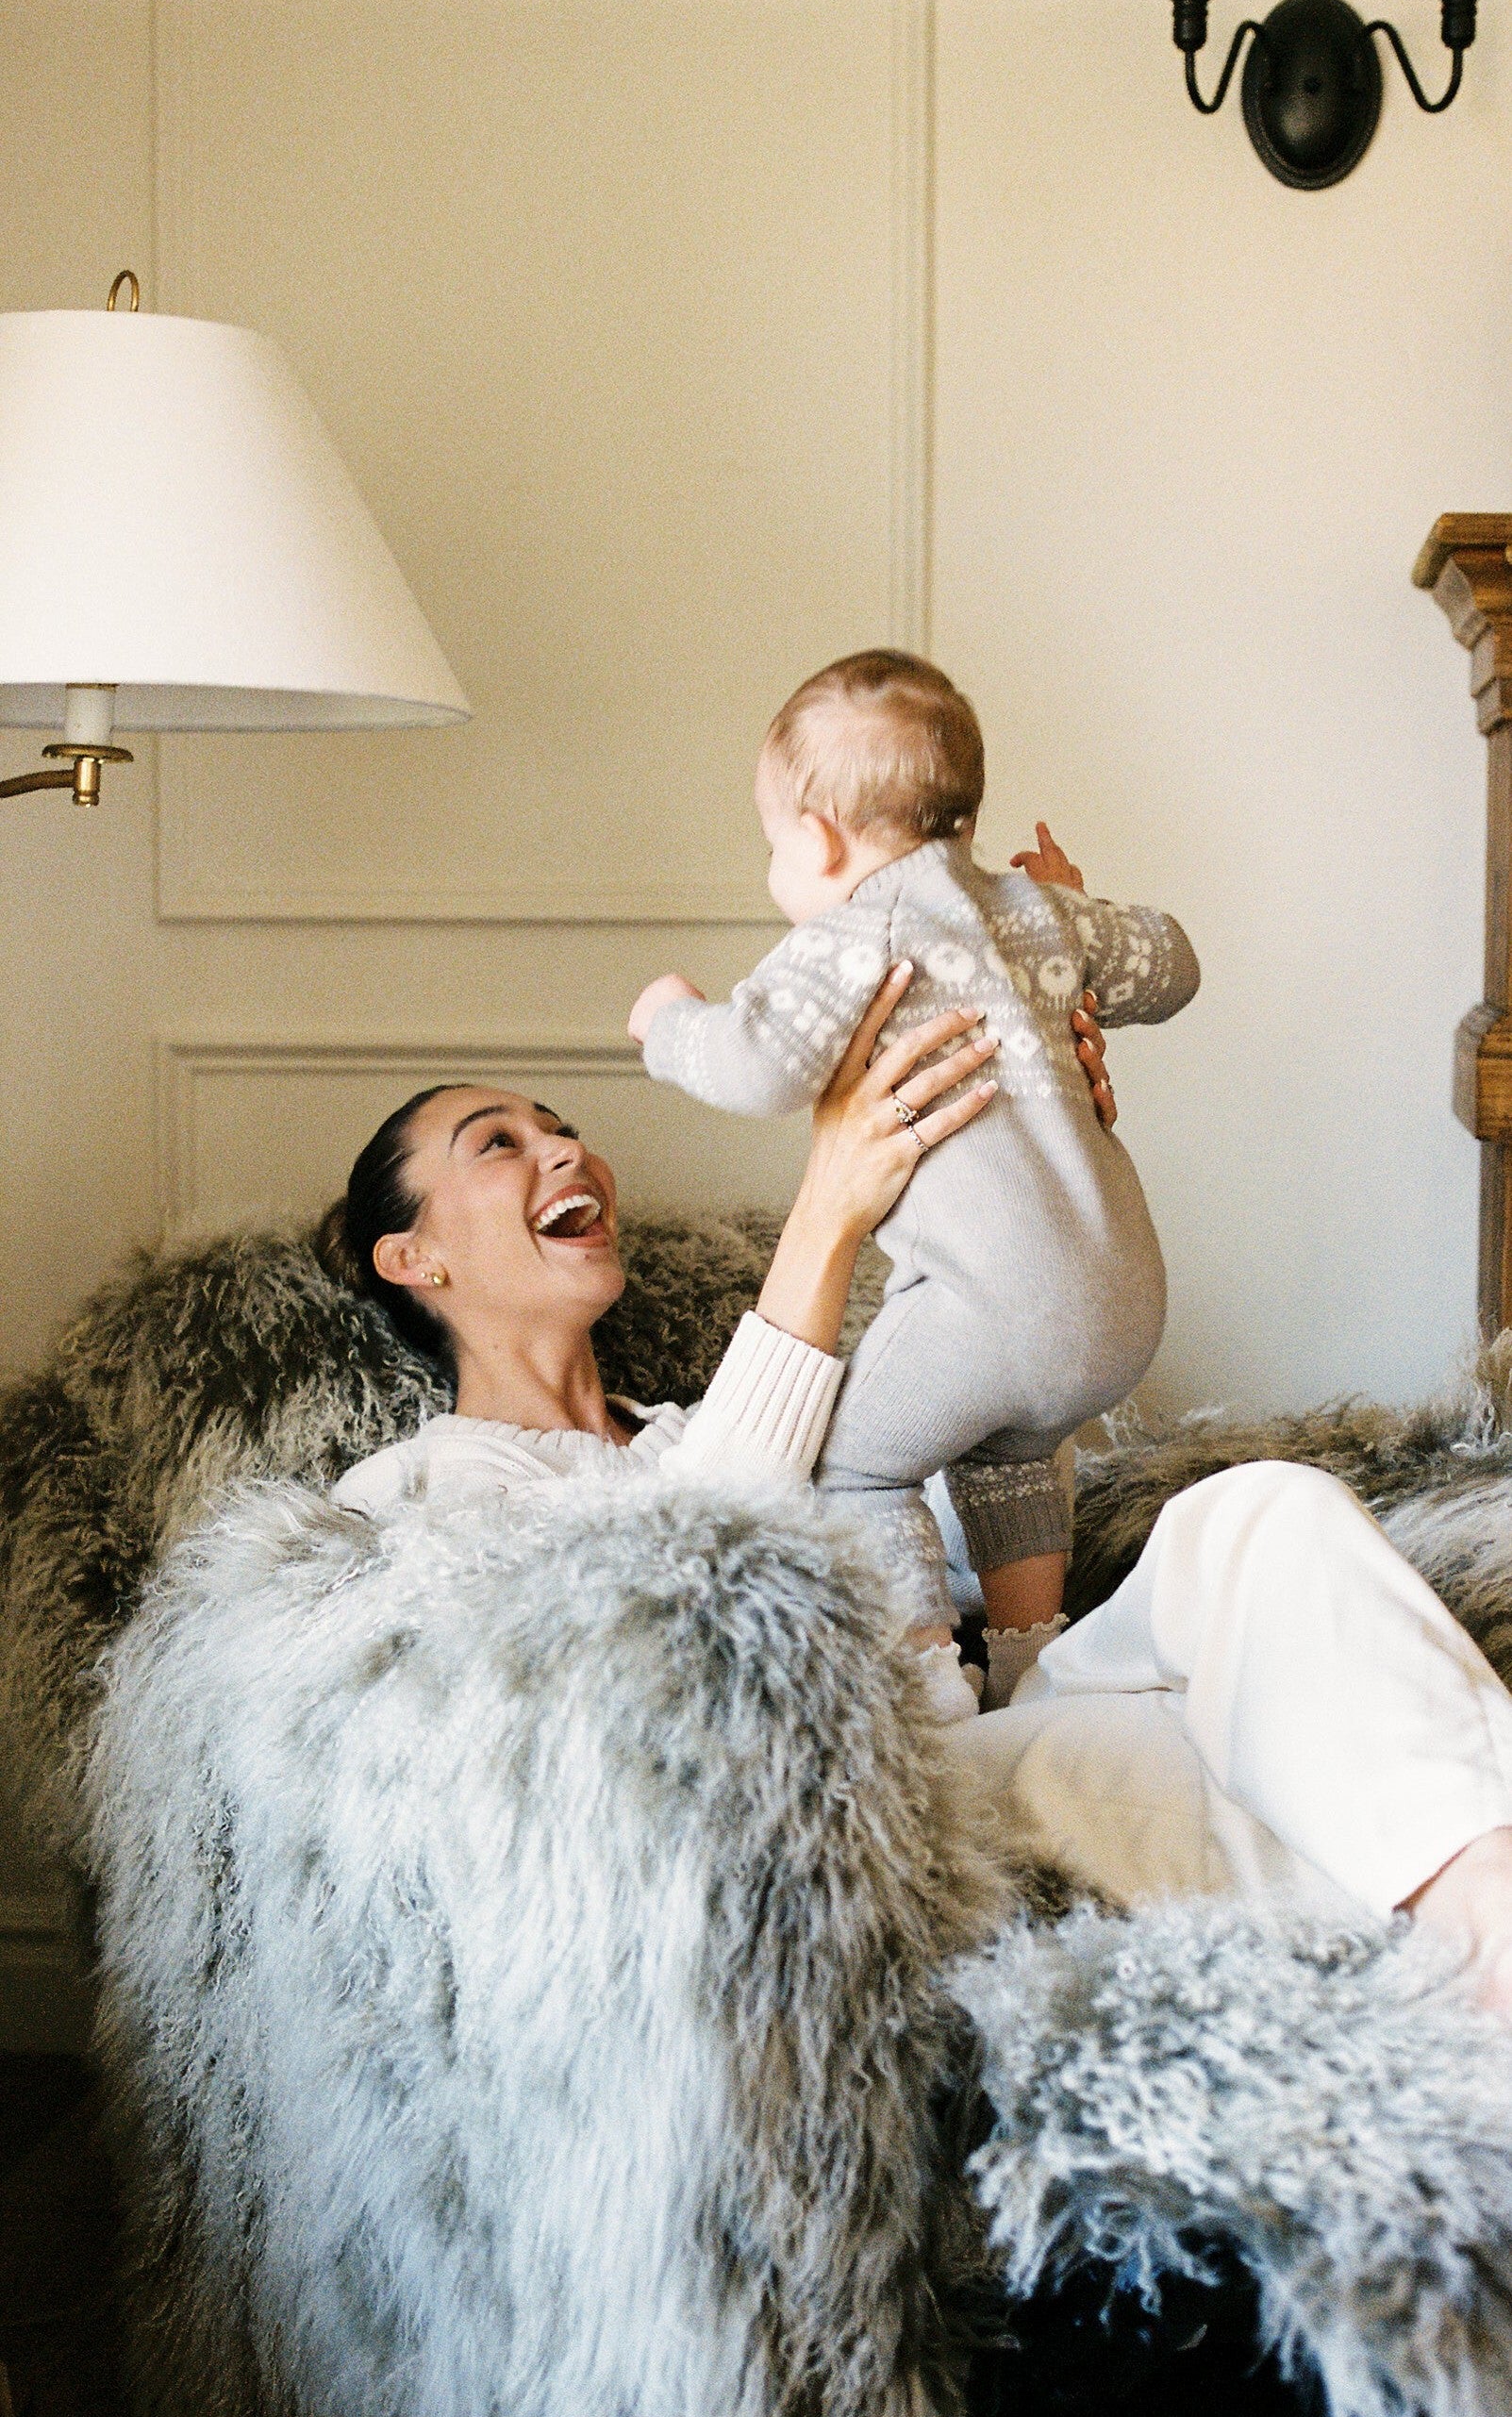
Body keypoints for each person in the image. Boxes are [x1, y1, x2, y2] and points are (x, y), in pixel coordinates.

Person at [320, 966, 1512, 2014]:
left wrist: (1038, 1151)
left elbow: (960, 1493)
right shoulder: (416, 1490)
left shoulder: (694, 1425)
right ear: (414, 1257)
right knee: (1242, 1745)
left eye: (561, 1127)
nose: (565, 1152)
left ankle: (1478, 1910)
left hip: (992, 1720)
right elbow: (666, 1600)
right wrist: (826, 1213)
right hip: (875, 1822)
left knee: (1258, 1514)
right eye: (497, 1144)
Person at [626, 650, 1199, 1709]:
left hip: (993, 1306)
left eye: (771, 843)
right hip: (1125, 1298)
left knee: (852, 1463)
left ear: (817, 837)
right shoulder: (1036, 912)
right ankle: (1035, 1664)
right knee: (1006, 1453)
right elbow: (1173, 966)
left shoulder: (859, 930)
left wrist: (667, 1022)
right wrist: (1075, 911)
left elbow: (755, 1065)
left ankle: (928, 1675)